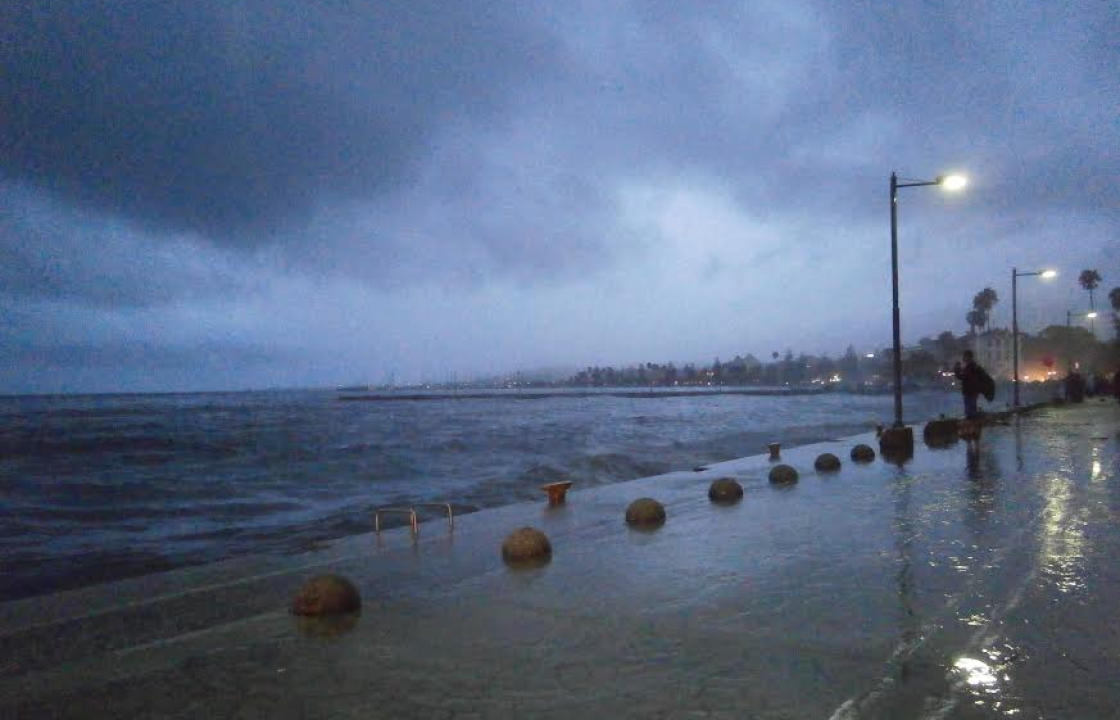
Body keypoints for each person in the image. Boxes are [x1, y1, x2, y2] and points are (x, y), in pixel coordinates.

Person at [953, 350, 993, 420]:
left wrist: (957, 370)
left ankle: (972, 423)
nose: (964, 359)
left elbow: (963, 377)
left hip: (969, 391)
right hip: (972, 391)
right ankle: (973, 422)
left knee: (970, 411)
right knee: (971, 409)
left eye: (965, 357)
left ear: (968, 357)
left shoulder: (970, 367)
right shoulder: (973, 366)